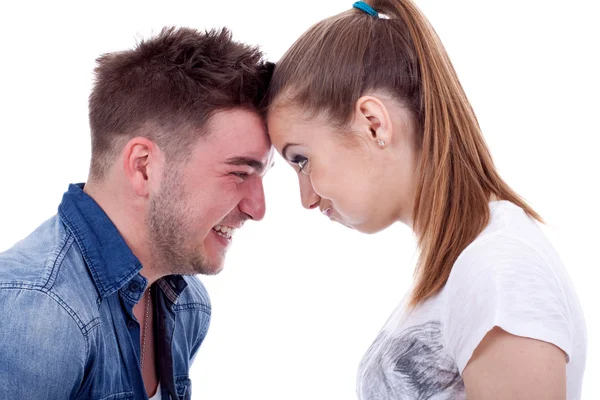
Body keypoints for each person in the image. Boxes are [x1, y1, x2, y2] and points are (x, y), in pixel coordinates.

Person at [266, 1, 587, 399]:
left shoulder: (500, 270)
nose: (307, 198)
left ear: (373, 123)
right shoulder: (463, 267)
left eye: (302, 159)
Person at [0, 27, 273, 399]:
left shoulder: (188, 302)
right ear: (144, 166)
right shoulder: (42, 312)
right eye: (239, 173)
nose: (257, 209)